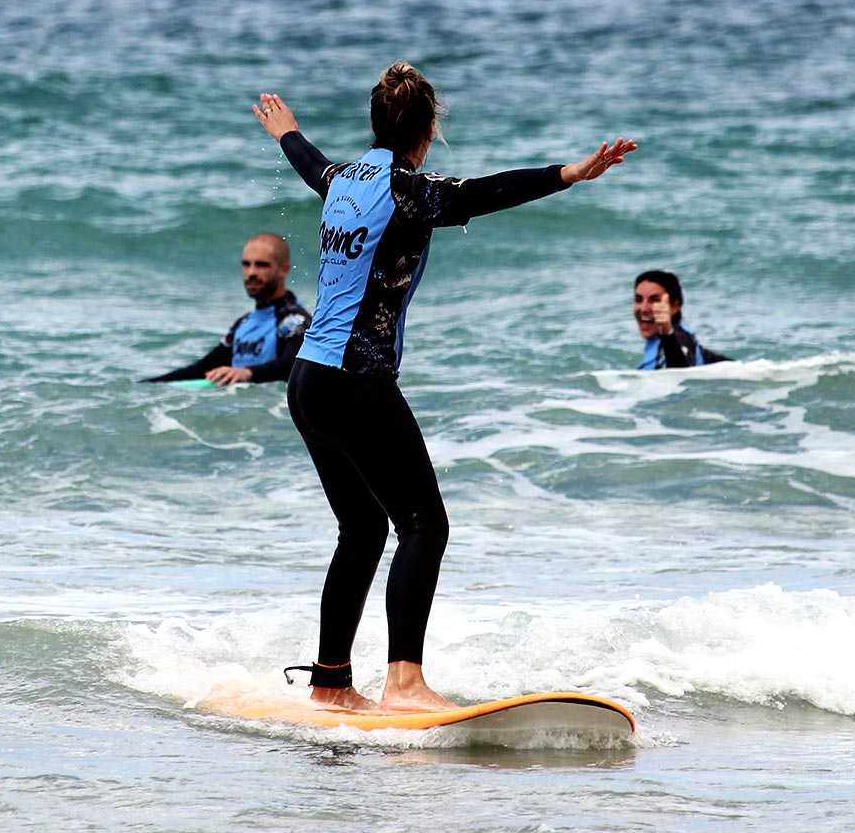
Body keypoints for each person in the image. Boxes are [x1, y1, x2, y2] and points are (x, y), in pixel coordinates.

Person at [253, 62, 637, 713]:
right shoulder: (411, 192)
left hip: (308, 380)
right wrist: (569, 175)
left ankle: (331, 681)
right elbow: (486, 193)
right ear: (427, 130)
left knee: (362, 528)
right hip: (356, 379)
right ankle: (403, 683)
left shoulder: (346, 179)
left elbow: (310, 163)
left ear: (378, 123)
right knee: (424, 525)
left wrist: (287, 133)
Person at [144, 233, 311, 386]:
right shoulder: (243, 324)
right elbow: (200, 370)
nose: (251, 272)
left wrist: (247, 373)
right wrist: (149, 385)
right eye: (246, 264)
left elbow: (295, 364)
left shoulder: (294, 320)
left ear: (284, 270)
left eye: (262, 265)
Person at [633, 269, 731, 370]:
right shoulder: (656, 343)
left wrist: (667, 333)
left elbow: (681, 374)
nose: (643, 309)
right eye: (638, 300)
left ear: (674, 306)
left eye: (654, 300)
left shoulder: (681, 338)